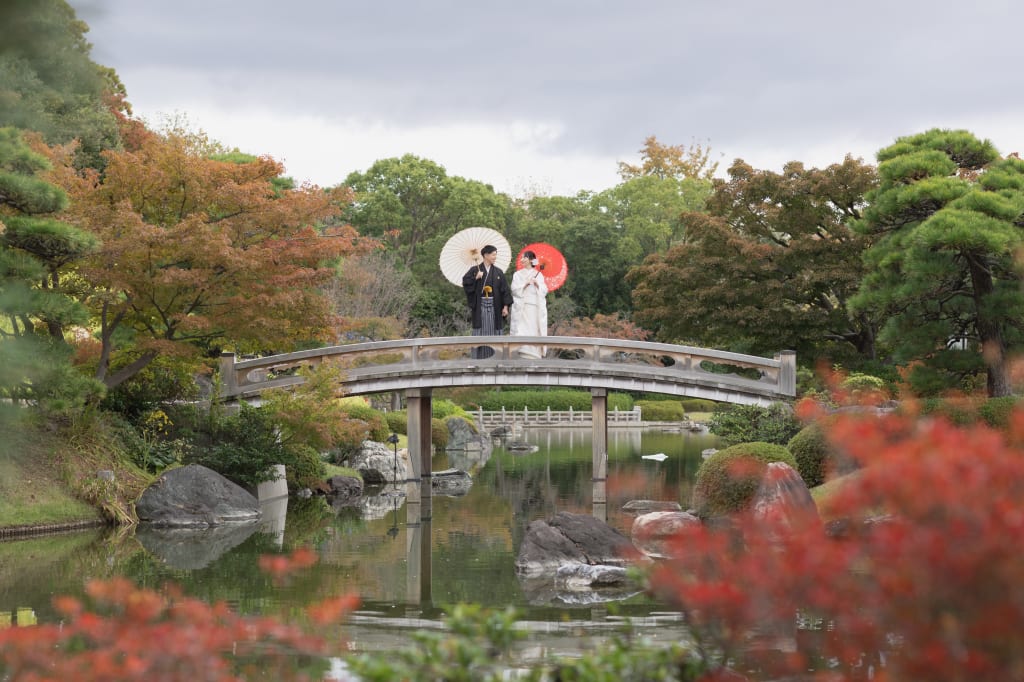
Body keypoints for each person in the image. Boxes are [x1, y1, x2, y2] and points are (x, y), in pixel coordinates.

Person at [462, 244, 512, 359]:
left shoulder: (498, 272)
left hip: (496, 307)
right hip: (481, 307)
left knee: (494, 330)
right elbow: (466, 284)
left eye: (496, 255)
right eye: (493, 255)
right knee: (481, 330)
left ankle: (496, 357)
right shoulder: (475, 270)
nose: (495, 257)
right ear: (486, 255)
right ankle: (479, 358)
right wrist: (476, 278)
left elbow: (505, 290)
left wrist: (505, 307)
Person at [509, 250, 548, 359]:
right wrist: (525, 284)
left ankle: (534, 354)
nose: (522, 260)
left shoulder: (538, 275)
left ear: (531, 260)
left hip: (534, 307)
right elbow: (514, 290)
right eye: (521, 258)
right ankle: (521, 351)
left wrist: (537, 284)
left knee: (533, 329)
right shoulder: (517, 274)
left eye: (524, 258)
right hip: (522, 306)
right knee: (521, 329)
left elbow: (544, 290)